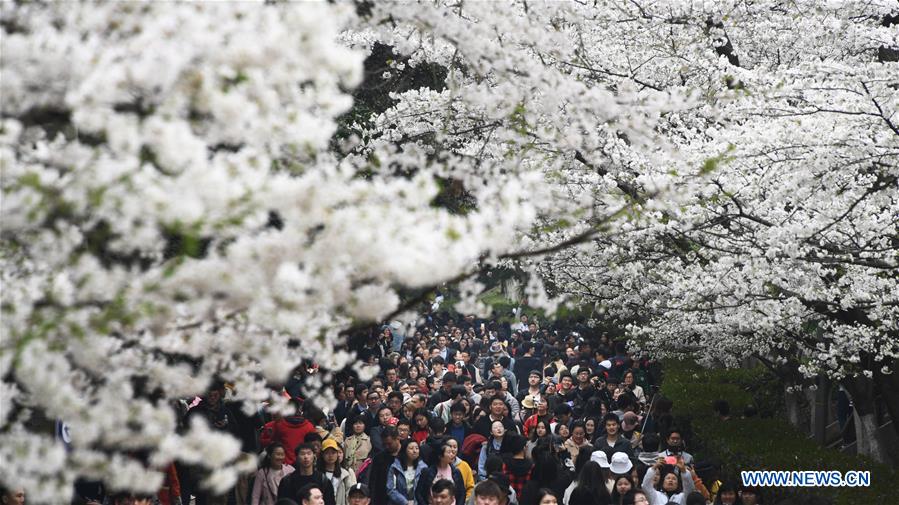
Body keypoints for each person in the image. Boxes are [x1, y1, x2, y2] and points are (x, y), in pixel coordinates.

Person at [416, 441, 467, 505]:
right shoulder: (427, 472)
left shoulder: (456, 472)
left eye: (452, 452)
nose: (452, 454)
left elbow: (462, 493)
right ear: (440, 456)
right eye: (449, 452)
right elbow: (419, 493)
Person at [387, 439, 428, 505]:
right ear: (404, 450)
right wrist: (405, 502)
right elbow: (391, 489)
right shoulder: (395, 468)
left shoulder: (423, 468)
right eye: (411, 448)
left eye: (417, 448)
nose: (414, 451)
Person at [369, 426, 402, 505]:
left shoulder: (406, 454)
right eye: (384, 444)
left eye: (389, 443)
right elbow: (373, 482)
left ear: (397, 439)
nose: (387, 446)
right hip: (383, 499)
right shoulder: (379, 458)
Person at [319, 439, 356, 505]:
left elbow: (349, 494)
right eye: (327, 453)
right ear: (322, 455)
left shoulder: (344, 474)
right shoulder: (318, 474)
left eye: (333, 452)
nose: (330, 456)